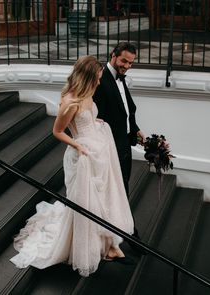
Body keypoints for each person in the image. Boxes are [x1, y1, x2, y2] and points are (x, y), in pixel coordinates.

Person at [10, 55, 135, 277]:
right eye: (96, 78)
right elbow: (57, 131)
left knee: (103, 198)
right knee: (89, 202)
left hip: (99, 150)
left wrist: (95, 121)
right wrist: (78, 145)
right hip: (84, 156)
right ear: (87, 77)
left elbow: (86, 118)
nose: (99, 82)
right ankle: (103, 247)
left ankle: (109, 245)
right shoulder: (70, 102)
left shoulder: (88, 94)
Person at [93, 42, 146, 197]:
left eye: (131, 62)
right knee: (115, 192)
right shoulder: (100, 80)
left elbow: (125, 112)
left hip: (125, 145)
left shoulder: (121, 78)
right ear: (113, 55)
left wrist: (137, 131)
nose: (128, 66)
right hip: (110, 147)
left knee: (122, 188)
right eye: (124, 61)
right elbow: (97, 119)